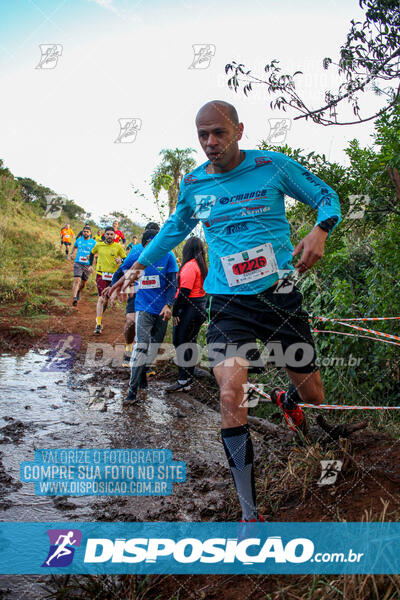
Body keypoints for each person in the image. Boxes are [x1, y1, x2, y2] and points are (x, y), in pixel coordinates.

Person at [107, 100, 342, 522]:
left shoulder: (272, 166)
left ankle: (290, 401)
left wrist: (321, 228)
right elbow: (175, 228)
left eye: (219, 132)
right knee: (231, 393)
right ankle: (250, 515)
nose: (210, 142)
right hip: (228, 302)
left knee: (313, 395)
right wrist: (138, 265)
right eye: (202, 135)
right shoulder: (195, 184)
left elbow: (326, 194)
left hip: (280, 294)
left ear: (239, 130)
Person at [122, 229, 178, 404]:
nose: (152, 248)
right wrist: (120, 287)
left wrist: (168, 305)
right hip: (143, 307)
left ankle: (143, 374)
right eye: (148, 245)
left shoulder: (168, 256)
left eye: (156, 244)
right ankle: (132, 391)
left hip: (162, 310)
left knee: (153, 348)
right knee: (141, 346)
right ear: (144, 244)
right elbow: (122, 271)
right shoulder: (139, 257)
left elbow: (173, 283)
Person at [111, 222, 161, 366]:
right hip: (137, 291)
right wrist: (117, 288)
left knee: (153, 329)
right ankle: (128, 348)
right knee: (131, 321)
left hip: (156, 295)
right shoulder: (136, 250)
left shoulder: (165, 250)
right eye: (149, 236)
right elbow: (121, 270)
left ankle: (147, 362)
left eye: (155, 235)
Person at [166, 237, 208, 392]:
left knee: (180, 341)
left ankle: (184, 379)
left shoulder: (190, 266)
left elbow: (184, 292)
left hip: (190, 307)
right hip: (199, 306)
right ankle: (188, 377)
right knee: (189, 342)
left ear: (187, 249)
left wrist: (176, 312)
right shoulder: (202, 266)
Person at [90, 226, 126, 334]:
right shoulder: (98, 245)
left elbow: (125, 258)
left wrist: (121, 259)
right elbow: (92, 253)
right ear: (104, 235)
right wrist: (90, 265)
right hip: (101, 274)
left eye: (111, 234)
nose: (109, 236)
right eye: (107, 234)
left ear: (114, 235)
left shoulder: (118, 246)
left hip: (114, 276)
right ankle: (98, 324)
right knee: (101, 298)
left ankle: (101, 314)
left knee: (107, 299)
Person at [69, 225, 96, 306]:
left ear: (90, 233)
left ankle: (78, 292)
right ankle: (74, 298)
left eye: (87, 232)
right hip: (78, 263)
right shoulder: (79, 240)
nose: (85, 233)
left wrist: (91, 256)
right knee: (77, 280)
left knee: (83, 284)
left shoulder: (94, 242)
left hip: (87, 265)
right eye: (84, 231)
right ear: (82, 232)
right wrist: (72, 253)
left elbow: (98, 252)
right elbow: (74, 246)